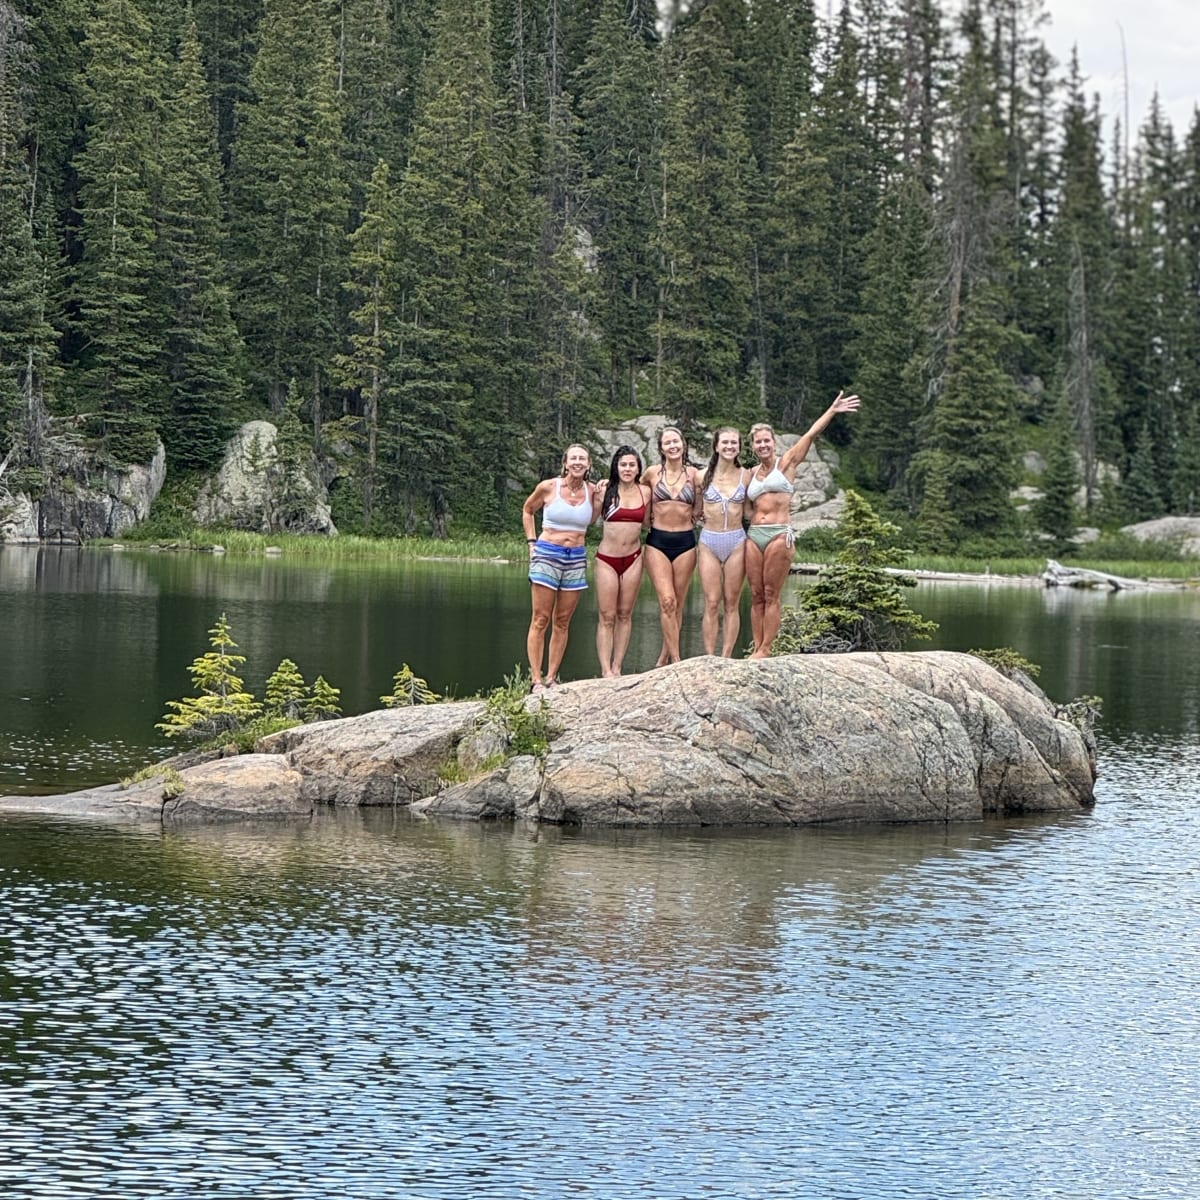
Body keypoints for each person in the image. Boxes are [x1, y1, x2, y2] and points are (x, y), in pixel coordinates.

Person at [745, 391, 861, 659]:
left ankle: (765, 648)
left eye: (766, 441)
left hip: (778, 534)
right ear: (752, 446)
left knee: (772, 593)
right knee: (756, 594)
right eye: (758, 442)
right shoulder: (750, 473)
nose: (763, 445)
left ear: (774, 443)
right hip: (754, 536)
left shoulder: (786, 463)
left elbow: (809, 435)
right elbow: (743, 504)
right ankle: (756, 645)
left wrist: (832, 411)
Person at [522, 444, 597, 693]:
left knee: (563, 620)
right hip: (548, 553)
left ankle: (552, 677)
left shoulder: (593, 491)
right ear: (565, 463)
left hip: (575, 557)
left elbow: (595, 517)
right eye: (573, 458)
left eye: (582, 459)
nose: (578, 462)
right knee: (541, 618)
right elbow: (528, 510)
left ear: (589, 465)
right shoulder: (548, 487)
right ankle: (536, 679)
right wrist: (532, 542)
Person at [640, 426, 702, 666]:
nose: (673, 446)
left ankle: (663, 658)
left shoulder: (694, 475)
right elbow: (630, 487)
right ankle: (676, 660)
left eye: (676, 441)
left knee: (677, 603)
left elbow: (701, 502)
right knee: (667, 601)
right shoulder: (652, 473)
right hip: (657, 542)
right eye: (667, 443)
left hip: (685, 542)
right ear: (661, 448)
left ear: (683, 444)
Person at [593, 446, 652, 678]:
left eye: (632, 465)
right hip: (607, 558)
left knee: (625, 614)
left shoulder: (645, 492)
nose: (627, 469)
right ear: (616, 467)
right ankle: (605, 669)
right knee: (606, 616)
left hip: (634, 557)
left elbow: (648, 522)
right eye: (623, 464)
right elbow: (590, 517)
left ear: (638, 468)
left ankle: (618, 666)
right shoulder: (605, 490)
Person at [697, 426, 750, 657]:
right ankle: (709, 655)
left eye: (734, 443)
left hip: (737, 540)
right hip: (709, 540)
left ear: (739, 447)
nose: (730, 447)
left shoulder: (746, 475)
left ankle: (726, 656)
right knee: (711, 601)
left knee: (731, 603)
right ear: (716, 446)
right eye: (725, 442)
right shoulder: (700, 475)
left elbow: (750, 512)